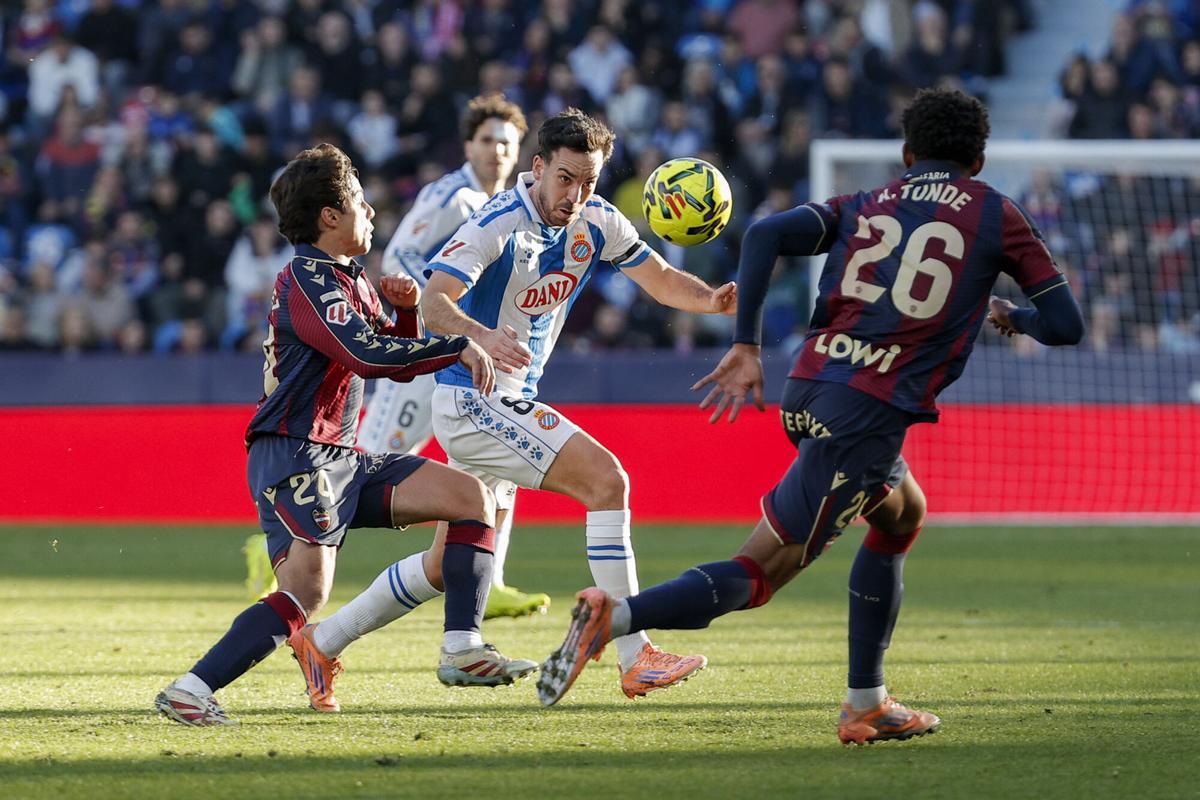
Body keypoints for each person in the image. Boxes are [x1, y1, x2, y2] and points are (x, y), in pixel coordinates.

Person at [536, 88, 1086, 744]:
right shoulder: (996, 214)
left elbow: (767, 233)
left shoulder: (871, 202)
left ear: (908, 154)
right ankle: (616, 618)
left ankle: (867, 702)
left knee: (902, 513)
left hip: (810, 385)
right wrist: (1009, 312)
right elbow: (1065, 324)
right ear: (979, 158)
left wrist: (746, 344)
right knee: (759, 574)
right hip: (866, 415)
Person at [301, 108, 737, 709]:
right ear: (537, 168)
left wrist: (711, 301)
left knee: (442, 563)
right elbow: (433, 303)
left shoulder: (599, 221)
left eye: (588, 181)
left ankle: (322, 642)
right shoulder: (498, 221)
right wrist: (481, 333)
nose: (576, 195)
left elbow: (659, 277)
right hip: (472, 397)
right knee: (608, 481)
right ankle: (636, 656)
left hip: (508, 400)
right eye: (565, 179)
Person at [155, 143, 533, 727]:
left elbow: (395, 351)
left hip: (340, 455)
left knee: (470, 499)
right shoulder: (307, 281)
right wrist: (457, 342)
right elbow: (366, 354)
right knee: (306, 594)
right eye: (359, 199)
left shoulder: (346, 280)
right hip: (294, 451)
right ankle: (190, 689)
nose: (372, 210)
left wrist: (406, 316)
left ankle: (462, 647)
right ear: (330, 216)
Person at [354, 94, 551, 624]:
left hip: (472, 351)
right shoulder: (451, 195)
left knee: (496, 456)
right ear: (469, 145)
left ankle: (496, 580)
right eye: (486, 140)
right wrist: (444, 303)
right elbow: (400, 254)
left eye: (505, 143)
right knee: (373, 461)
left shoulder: (513, 206)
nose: (496, 151)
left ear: (519, 153)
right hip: (425, 347)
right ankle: (277, 541)